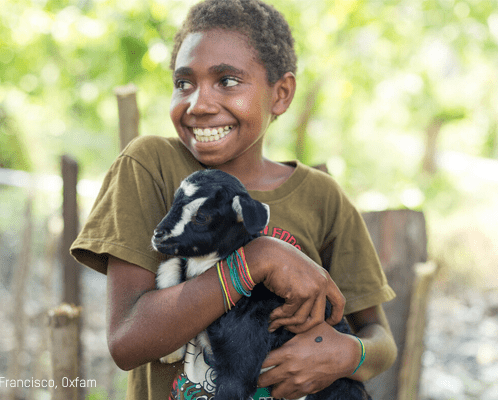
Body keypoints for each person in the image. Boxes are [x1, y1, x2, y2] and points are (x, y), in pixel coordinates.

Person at [70, 0, 398, 399]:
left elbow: (381, 340)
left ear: (281, 94)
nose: (199, 103)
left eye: (227, 81)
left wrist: (347, 353)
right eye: (183, 83)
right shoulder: (150, 165)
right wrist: (257, 259)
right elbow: (127, 341)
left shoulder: (322, 196)